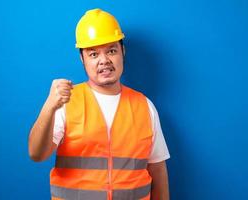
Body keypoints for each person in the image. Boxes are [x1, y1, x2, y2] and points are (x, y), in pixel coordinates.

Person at [28, 8, 170, 200]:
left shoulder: (144, 106)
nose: (104, 60)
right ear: (82, 58)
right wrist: (49, 107)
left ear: (122, 51)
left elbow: (158, 169)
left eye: (111, 50)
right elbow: (36, 154)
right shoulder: (66, 103)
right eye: (93, 54)